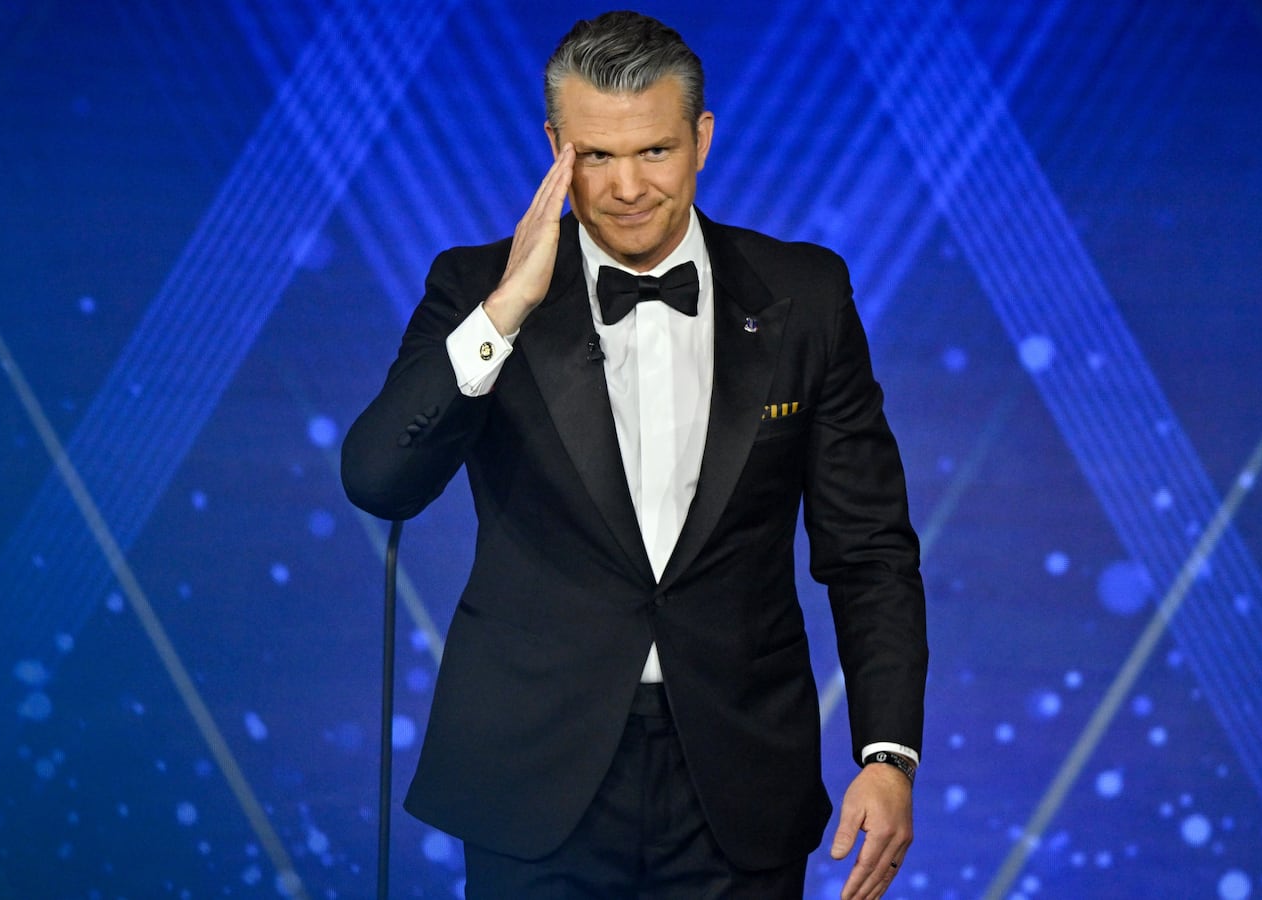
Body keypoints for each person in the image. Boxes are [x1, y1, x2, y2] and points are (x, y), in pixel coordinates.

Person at [342, 11, 926, 898]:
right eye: (595, 156)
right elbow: (379, 480)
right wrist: (506, 312)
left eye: (653, 151)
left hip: (739, 774)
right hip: (532, 772)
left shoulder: (806, 294)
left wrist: (888, 753)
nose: (625, 188)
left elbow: (870, 547)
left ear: (702, 140)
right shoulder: (475, 288)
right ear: (554, 147)